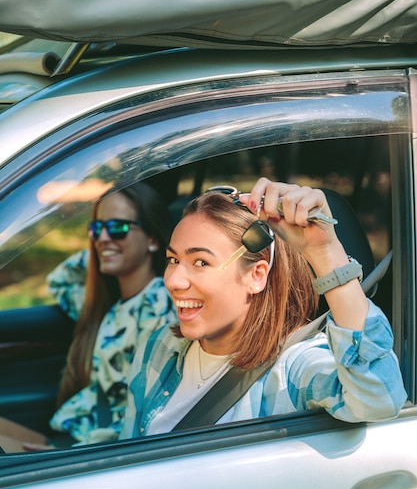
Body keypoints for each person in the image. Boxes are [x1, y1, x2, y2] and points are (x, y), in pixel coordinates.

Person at [120, 178, 407, 439]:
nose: (173, 280)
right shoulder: (159, 348)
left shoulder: (294, 368)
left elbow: (379, 399)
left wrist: (325, 252)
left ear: (255, 276)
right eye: (173, 260)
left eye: (200, 263)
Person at [0, 181, 177, 452]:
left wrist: (71, 456)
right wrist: (108, 246)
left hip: (89, 452)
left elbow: (147, 410)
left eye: (118, 228)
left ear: (152, 239)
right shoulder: (110, 304)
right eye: (96, 228)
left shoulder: (157, 301)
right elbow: (60, 281)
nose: (103, 237)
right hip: (72, 436)